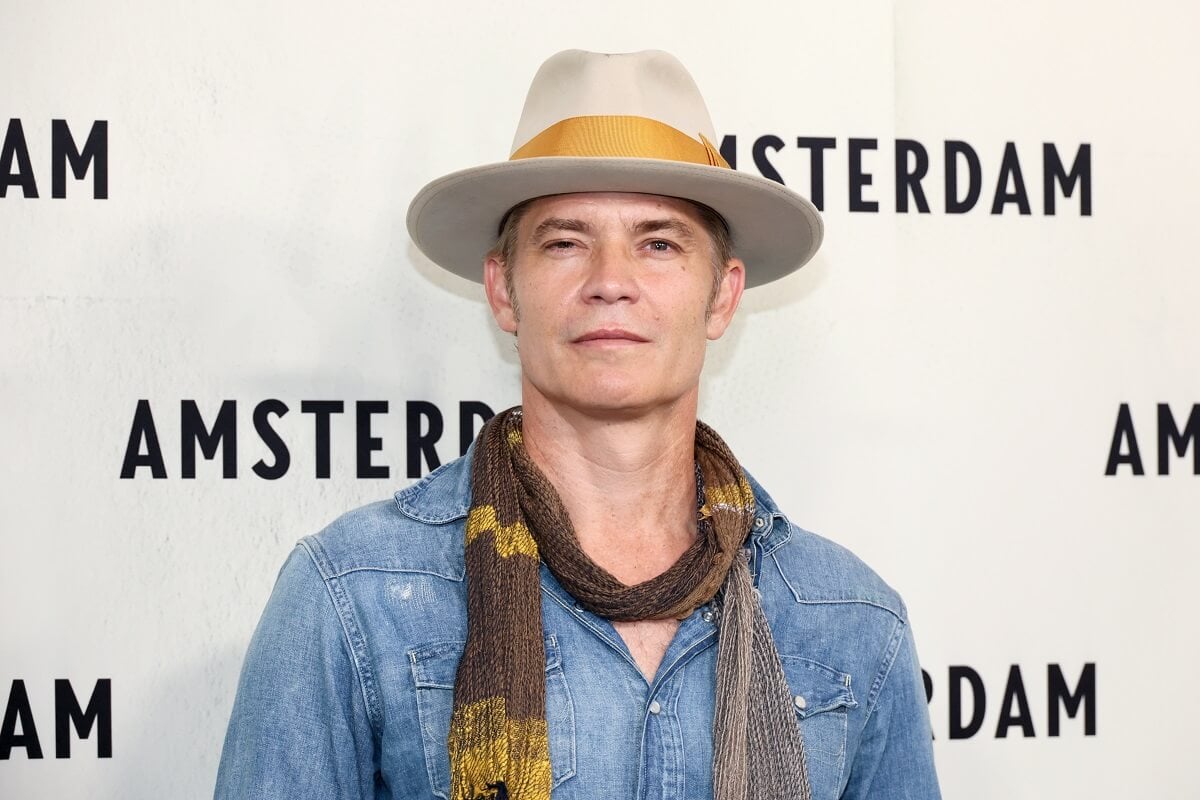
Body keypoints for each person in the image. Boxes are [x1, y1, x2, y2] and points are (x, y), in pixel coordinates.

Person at [215, 49, 941, 800]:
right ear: (504, 289)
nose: (611, 282)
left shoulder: (851, 620)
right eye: (565, 242)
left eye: (659, 242)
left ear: (722, 299)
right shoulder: (352, 595)